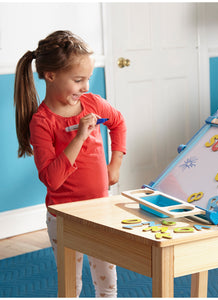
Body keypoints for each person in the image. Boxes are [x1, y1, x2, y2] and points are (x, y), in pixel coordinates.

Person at [14, 30, 126, 297]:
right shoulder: (41, 122)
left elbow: (118, 122)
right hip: (63, 217)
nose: (85, 87)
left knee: (108, 284)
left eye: (87, 78)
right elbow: (52, 179)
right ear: (51, 76)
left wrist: (116, 164)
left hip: (99, 209)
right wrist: (79, 137)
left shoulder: (93, 103)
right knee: (70, 284)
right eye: (78, 80)